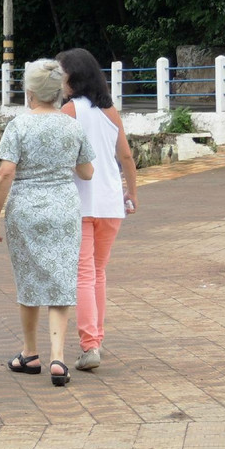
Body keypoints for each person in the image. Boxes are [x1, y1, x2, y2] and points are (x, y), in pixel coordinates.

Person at [0, 59, 95, 387]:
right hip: (63, 210)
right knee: (61, 278)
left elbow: (6, 173)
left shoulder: (18, 126)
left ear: (30, 92)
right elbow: (87, 171)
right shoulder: (72, 126)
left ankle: (30, 353)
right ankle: (58, 358)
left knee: (29, 280)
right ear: (59, 92)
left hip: (27, 212)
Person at [56, 48, 138, 371]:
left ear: (74, 78)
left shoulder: (70, 111)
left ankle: (90, 346)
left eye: (61, 74)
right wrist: (131, 192)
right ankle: (97, 341)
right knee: (98, 273)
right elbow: (127, 158)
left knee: (84, 273)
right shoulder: (111, 112)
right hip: (111, 204)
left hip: (82, 203)